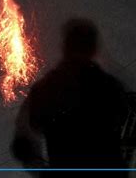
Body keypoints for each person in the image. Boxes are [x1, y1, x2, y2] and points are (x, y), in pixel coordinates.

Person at [12, 18, 128, 177]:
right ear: (93, 49)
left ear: (65, 47)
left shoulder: (45, 89)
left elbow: (22, 142)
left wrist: (43, 171)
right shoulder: (110, 87)